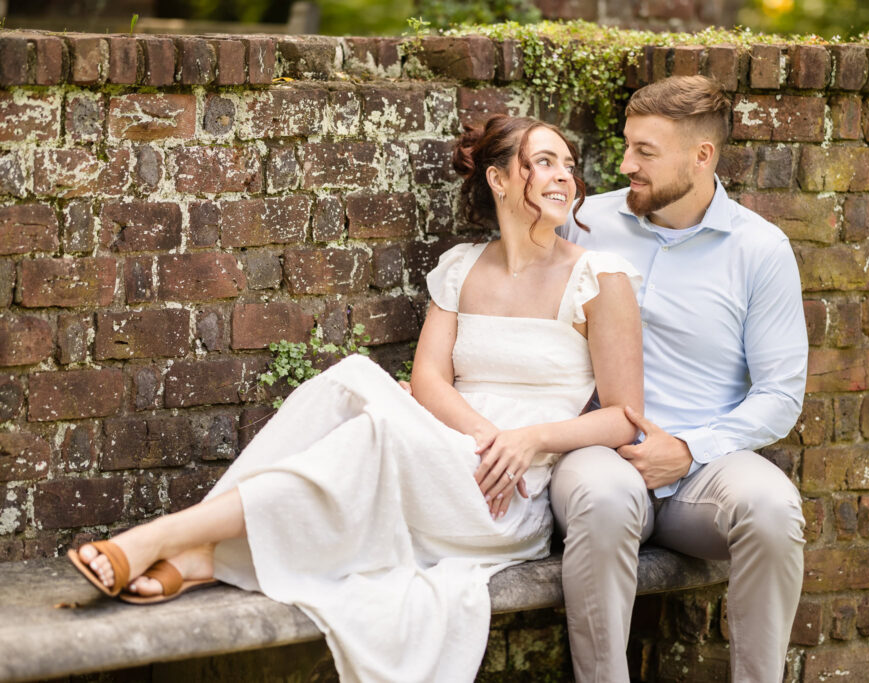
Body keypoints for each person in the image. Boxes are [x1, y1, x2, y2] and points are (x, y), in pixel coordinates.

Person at [67, 115, 645, 682]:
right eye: (543, 162)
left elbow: (624, 418)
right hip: (454, 449)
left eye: (568, 165)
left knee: (373, 419)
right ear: (498, 179)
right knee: (355, 380)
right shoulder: (462, 267)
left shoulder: (598, 276)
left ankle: (165, 539)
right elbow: (427, 381)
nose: (564, 177)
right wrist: (485, 437)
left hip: (509, 495)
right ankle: (200, 557)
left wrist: (526, 441)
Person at [553, 75, 809, 682]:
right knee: (605, 497)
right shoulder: (583, 223)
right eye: (626, 146)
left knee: (774, 509)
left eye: (645, 152)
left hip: (705, 468)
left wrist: (691, 449)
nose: (625, 164)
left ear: (702, 156)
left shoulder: (761, 249)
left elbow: (780, 394)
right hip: (600, 450)